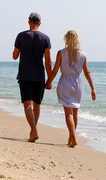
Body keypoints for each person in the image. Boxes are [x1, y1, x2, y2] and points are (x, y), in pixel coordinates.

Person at [46, 30, 96, 147]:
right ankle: (71, 138)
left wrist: (48, 82)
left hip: (65, 84)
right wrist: (93, 88)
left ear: (66, 40)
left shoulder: (61, 53)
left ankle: (73, 137)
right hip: (78, 85)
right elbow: (87, 73)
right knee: (75, 113)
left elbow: (54, 71)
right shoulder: (83, 55)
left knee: (68, 113)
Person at [12, 12, 52, 142]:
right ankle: (33, 130)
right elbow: (48, 61)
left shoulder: (21, 36)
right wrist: (50, 79)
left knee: (27, 104)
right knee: (37, 104)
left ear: (29, 21)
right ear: (39, 23)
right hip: (39, 76)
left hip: (25, 75)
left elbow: (14, 56)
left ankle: (34, 130)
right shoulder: (45, 38)